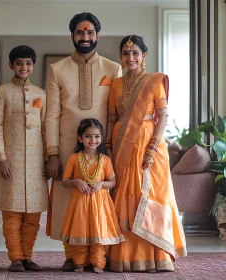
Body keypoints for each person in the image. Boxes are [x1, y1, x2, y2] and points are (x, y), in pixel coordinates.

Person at [45, 12, 122, 271]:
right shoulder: (57, 69)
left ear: (97, 35)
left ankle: (97, 256)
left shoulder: (113, 69)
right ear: (72, 36)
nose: (85, 37)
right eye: (80, 33)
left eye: (90, 33)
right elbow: (51, 115)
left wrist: (111, 148)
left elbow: (117, 113)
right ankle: (72, 255)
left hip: (102, 149)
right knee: (68, 201)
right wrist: (53, 153)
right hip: (68, 146)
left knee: (98, 201)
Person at [106, 35, 187, 272]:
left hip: (150, 142)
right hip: (122, 143)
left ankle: (156, 256)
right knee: (124, 194)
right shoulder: (116, 84)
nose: (130, 58)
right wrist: (109, 149)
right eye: (125, 53)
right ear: (120, 56)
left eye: (135, 53)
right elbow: (112, 119)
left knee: (152, 193)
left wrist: (152, 147)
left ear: (144, 56)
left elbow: (162, 117)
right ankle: (126, 256)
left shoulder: (154, 81)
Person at [0, 45, 49, 272]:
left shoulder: (40, 94)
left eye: (29, 63)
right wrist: (0, 158)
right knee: (12, 213)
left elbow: (44, 129)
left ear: (33, 66)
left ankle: (27, 257)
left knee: (33, 214)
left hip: (35, 164)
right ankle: (15, 257)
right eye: (20, 63)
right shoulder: (2, 92)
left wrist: (47, 158)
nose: (24, 67)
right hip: (10, 163)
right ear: (11, 65)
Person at [60, 118, 124, 274]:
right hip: (79, 203)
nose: (93, 140)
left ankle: (98, 263)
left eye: (97, 136)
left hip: (100, 204)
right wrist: (76, 182)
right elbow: (64, 181)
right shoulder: (74, 158)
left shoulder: (105, 160)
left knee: (99, 232)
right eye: (88, 136)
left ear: (101, 138)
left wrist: (101, 184)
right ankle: (79, 263)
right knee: (79, 231)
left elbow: (113, 182)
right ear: (80, 138)